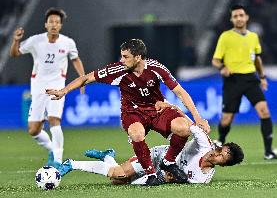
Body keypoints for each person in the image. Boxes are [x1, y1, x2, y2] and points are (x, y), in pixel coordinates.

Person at [46, 39, 210, 185]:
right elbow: (85, 79)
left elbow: (180, 92)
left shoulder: (156, 68)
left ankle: (168, 162)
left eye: (125, 57)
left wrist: (198, 118)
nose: (121, 60)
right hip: (133, 113)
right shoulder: (117, 70)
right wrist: (63, 91)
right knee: (135, 137)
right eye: (121, 56)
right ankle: (151, 174)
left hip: (156, 109)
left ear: (138, 57)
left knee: (183, 128)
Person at [56, 101, 244, 185]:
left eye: (222, 156)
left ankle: (107, 156)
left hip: (164, 171)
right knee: (118, 175)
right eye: (220, 149)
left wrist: (162, 178)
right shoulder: (204, 143)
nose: (216, 153)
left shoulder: (202, 179)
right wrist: (174, 107)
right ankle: (72, 164)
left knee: (116, 180)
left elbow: (173, 181)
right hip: (158, 155)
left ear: (224, 165)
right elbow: (187, 125)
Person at [9, 8, 85, 167]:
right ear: (45, 24)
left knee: (54, 119)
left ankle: (58, 160)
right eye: (51, 21)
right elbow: (15, 54)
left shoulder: (68, 42)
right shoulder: (35, 41)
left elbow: (76, 60)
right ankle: (52, 149)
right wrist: (16, 40)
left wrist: (82, 80)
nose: (54, 25)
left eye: (57, 22)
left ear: (60, 26)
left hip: (57, 86)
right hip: (37, 88)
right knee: (33, 130)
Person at [212, 5, 277, 160]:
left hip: (250, 78)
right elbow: (215, 60)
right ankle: (220, 140)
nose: (239, 18)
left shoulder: (253, 37)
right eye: (235, 16)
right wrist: (222, 67)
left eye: (241, 15)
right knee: (227, 119)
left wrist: (262, 77)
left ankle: (268, 151)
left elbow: (258, 59)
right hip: (232, 80)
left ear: (246, 17)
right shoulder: (225, 36)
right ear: (231, 19)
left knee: (264, 111)